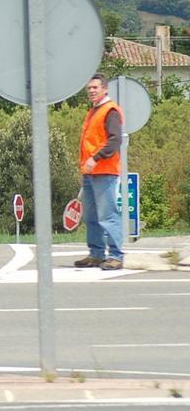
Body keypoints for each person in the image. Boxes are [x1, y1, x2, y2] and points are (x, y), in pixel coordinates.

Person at [74, 73, 124, 270]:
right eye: (89, 88)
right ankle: (96, 254)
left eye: (95, 87)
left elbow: (115, 141)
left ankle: (116, 255)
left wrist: (95, 159)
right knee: (92, 216)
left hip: (104, 171)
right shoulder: (94, 110)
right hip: (90, 172)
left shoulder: (110, 111)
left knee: (107, 215)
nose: (92, 91)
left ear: (105, 89)